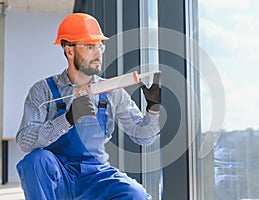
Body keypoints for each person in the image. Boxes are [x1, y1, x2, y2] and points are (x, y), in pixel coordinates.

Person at [16, 13, 161, 200]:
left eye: (100, 46)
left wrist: (153, 110)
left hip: (96, 174)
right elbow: (24, 142)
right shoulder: (43, 91)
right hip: (57, 175)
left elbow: (143, 137)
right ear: (69, 51)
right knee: (35, 161)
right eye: (89, 47)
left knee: (136, 195)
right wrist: (68, 119)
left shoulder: (111, 92)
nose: (98, 53)